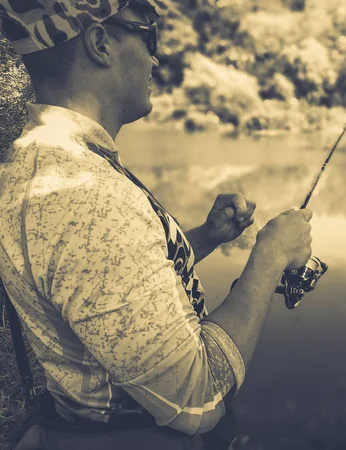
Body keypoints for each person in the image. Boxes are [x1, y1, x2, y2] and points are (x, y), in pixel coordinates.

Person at [0, 1, 313, 449]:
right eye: (147, 33)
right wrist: (270, 255)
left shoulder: (59, 161)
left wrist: (204, 238)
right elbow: (197, 400)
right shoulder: (80, 198)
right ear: (100, 43)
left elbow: (112, 281)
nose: (156, 57)